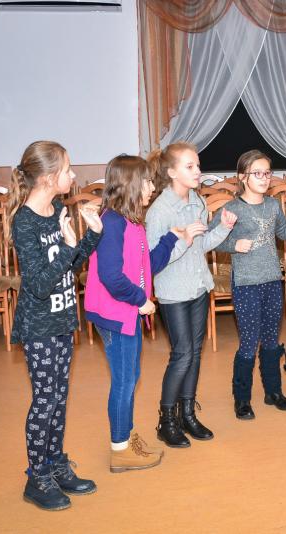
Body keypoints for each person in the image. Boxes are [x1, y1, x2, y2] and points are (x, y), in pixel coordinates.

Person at [8, 141, 101, 510]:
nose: (73, 175)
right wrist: (66, 247)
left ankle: (55, 464)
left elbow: (70, 267)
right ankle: (37, 476)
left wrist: (91, 236)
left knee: (59, 399)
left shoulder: (58, 209)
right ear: (47, 178)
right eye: (67, 170)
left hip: (62, 318)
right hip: (39, 326)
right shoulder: (25, 222)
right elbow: (38, 284)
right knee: (45, 400)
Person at [85, 154, 179, 473]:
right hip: (116, 312)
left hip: (126, 310)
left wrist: (171, 239)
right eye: (148, 181)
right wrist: (141, 300)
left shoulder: (132, 221)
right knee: (125, 381)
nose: (152, 187)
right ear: (131, 184)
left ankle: (125, 437)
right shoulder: (112, 222)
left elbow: (145, 267)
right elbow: (111, 276)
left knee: (130, 377)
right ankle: (120, 449)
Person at [146, 142, 237, 448]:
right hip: (173, 292)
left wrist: (223, 229)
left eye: (197, 165)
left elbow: (202, 244)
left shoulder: (197, 200)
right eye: (190, 166)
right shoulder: (160, 211)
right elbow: (154, 261)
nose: (198, 171)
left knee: (195, 352)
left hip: (198, 286)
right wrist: (183, 239)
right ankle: (166, 421)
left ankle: (187, 413)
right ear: (171, 172)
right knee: (182, 354)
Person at [213, 150, 286, 420]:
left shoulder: (273, 205)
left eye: (267, 173)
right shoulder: (232, 209)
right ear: (243, 177)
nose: (265, 178)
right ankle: (242, 399)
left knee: (270, 339)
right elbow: (211, 239)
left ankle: (273, 392)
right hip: (246, 284)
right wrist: (234, 244)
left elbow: (283, 233)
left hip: (272, 280)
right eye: (258, 173)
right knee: (249, 341)